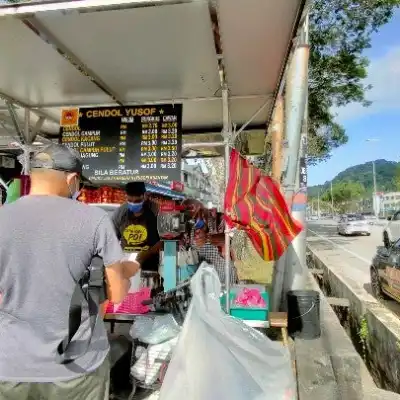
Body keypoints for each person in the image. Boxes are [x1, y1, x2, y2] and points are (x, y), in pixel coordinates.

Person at [0, 143, 140, 400]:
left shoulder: (3, 217)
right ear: (73, 179)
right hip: (76, 368)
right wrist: (128, 271)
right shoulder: (95, 220)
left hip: (12, 365)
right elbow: (117, 293)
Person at [112, 181, 162, 271]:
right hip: (126, 262)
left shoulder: (155, 210)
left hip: (149, 263)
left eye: (137, 201)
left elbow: (163, 239)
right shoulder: (120, 213)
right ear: (126, 197)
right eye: (130, 201)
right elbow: (112, 239)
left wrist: (147, 253)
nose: (134, 204)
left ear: (144, 196)